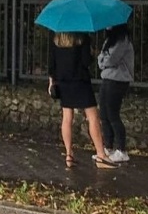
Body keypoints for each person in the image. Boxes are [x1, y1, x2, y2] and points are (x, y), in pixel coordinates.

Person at [49, 32, 115, 168]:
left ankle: (68, 154)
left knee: (67, 118)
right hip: (80, 81)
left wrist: (51, 82)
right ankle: (101, 155)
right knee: (93, 117)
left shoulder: (56, 40)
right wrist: (91, 53)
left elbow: (52, 64)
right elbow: (86, 61)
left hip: (63, 82)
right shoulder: (82, 38)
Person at [97, 24, 135, 164]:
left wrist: (103, 60)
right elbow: (101, 59)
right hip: (107, 78)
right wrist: (103, 60)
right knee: (104, 114)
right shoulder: (110, 40)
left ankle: (122, 150)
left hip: (118, 80)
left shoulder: (122, 40)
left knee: (113, 114)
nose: (107, 26)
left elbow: (111, 59)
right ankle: (109, 147)